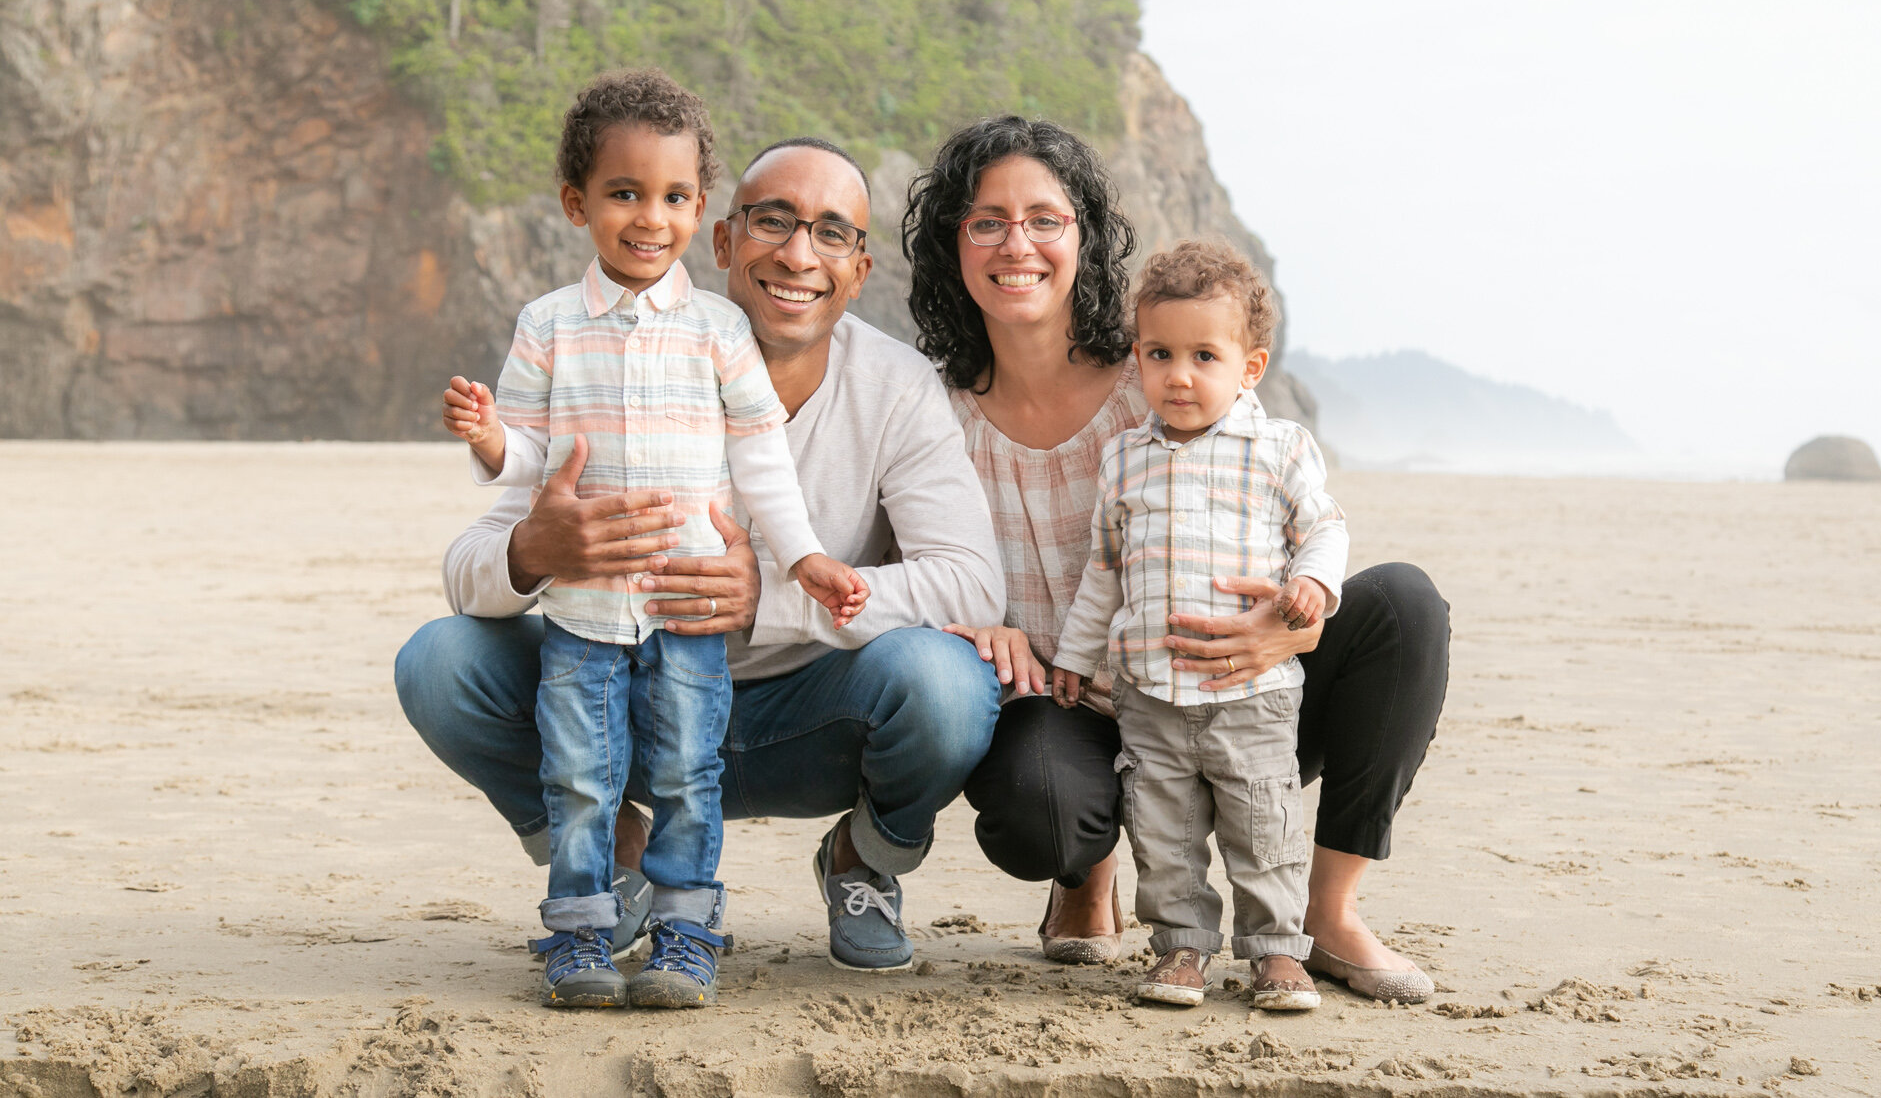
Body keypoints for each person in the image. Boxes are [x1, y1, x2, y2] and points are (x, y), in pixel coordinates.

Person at [395, 131, 1005, 993]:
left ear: (860, 270)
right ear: (722, 239)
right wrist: (535, 549)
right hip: (628, 700)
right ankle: (619, 856)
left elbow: (972, 580)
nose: (800, 253)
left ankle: (862, 860)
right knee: (438, 661)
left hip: (810, 715)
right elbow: (466, 570)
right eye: (773, 221)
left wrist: (773, 597)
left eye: (832, 233)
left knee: (947, 684)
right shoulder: (603, 357)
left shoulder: (896, 387)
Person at [903, 115, 1451, 1004]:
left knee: (1404, 608)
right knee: (1039, 809)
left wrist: (1290, 629)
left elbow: (1290, 511)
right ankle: (1086, 875)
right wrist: (968, 622)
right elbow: (902, 563)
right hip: (1070, 697)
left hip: (1236, 688)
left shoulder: (1166, 371)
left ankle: (1328, 914)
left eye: (1045, 218)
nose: (1017, 243)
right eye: (986, 221)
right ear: (951, 242)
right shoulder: (931, 413)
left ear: (1083, 234)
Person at [437, 69, 869, 1009]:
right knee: (580, 775)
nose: (649, 217)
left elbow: (762, 464)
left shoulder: (720, 332)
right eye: (624, 193)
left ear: (701, 207)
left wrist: (802, 558)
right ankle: (582, 932)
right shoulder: (548, 326)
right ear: (576, 203)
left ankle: (685, 930)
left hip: (686, 610)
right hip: (583, 614)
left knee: (685, 771)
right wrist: (489, 440)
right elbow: (530, 465)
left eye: (673, 197)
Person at [1051, 239, 1338, 1011]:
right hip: (1151, 696)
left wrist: (1311, 582)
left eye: (1204, 355)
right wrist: (1076, 658)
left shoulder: (1277, 449)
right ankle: (1181, 947)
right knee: (1164, 833)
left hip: (1253, 693)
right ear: (1138, 356)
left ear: (1249, 366)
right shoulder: (1125, 459)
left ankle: (1277, 952)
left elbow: (1324, 530)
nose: (1179, 375)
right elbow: (1103, 573)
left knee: (1263, 824)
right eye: (1160, 352)